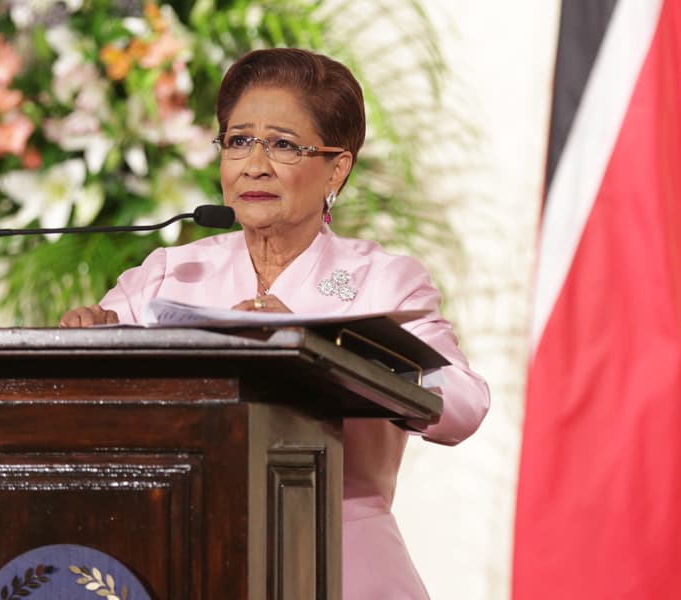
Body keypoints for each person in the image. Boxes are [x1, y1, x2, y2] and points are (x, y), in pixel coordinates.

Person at [60, 47, 490, 599]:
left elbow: (464, 406)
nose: (254, 165)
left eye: (283, 145)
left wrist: (325, 350)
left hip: (340, 560)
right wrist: (87, 340)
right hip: (179, 556)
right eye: (238, 141)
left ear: (337, 168)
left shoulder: (383, 281)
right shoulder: (170, 273)